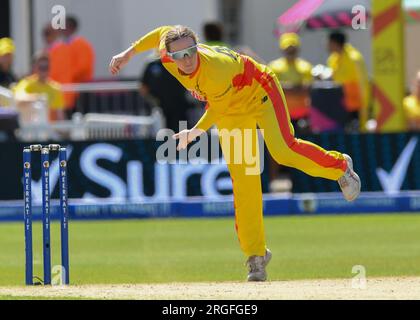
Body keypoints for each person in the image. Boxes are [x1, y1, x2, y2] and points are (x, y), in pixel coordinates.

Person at [109, 25, 361, 282]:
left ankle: (339, 166)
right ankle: (256, 256)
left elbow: (216, 108)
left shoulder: (215, 68)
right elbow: (162, 31)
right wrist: (129, 52)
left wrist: (193, 133)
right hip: (231, 110)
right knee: (245, 181)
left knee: (283, 150)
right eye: (179, 55)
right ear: (168, 56)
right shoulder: (167, 54)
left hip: (260, 91)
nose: (186, 59)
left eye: (190, 51)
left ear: (197, 46)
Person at [268, 33, 313, 192]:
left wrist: (288, 88)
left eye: (293, 48)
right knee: (275, 149)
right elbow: (275, 89)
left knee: (300, 149)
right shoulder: (275, 66)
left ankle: (298, 184)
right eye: (288, 48)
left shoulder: (305, 66)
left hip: (301, 115)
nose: (290, 51)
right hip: (280, 115)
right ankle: (272, 183)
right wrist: (295, 88)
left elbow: (306, 89)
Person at [139, 51, 195, 131]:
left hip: (179, 106)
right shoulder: (152, 64)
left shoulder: (177, 62)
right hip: (160, 108)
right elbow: (143, 87)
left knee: (183, 132)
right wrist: (153, 101)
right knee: (163, 134)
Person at [327, 31, 370, 132]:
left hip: (355, 108)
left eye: (329, 42)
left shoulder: (354, 58)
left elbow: (363, 84)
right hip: (339, 107)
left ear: (334, 43)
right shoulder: (333, 59)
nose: (327, 45)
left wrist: (365, 108)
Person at [14, 53, 65, 122]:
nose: (44, 71)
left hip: (49, 128)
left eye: (46, 67)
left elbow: (60, 116)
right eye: (41, 67)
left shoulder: (56, 88)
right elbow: (17, 98)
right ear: (35, 67)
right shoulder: (27, 83)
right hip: (30, 127)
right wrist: (38, 98)